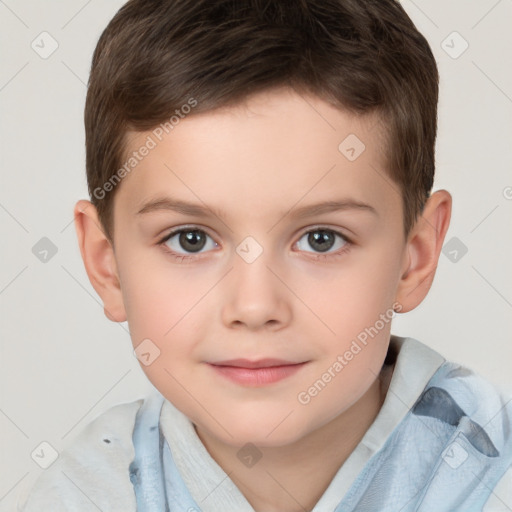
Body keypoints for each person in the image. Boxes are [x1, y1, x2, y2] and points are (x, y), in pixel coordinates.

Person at [18, 0, 512, 510]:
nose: (255, 307)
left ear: (416, 255)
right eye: (190, 239)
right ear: (107, 265)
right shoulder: (82, 495)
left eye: (322, 239)